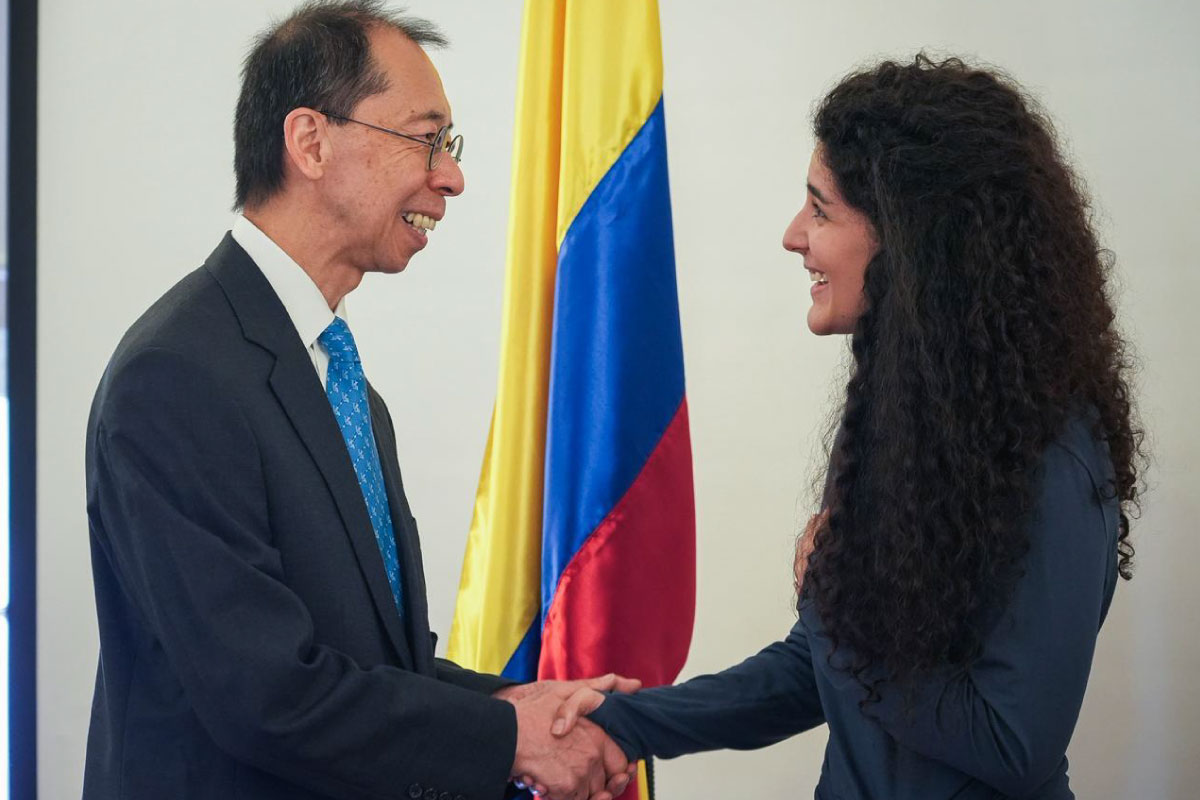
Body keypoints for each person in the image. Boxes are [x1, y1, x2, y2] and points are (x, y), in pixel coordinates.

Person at [545, 55, 1144, 800]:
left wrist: (829, 605)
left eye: (821, 210)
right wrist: (625, 723)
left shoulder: (1054, 457)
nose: (794, 236)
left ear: (909, 237)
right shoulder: (899, 422)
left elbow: (1010, 741)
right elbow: (820, 669)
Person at [83, 3, 635, 799]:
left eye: (449, 146)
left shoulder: (344, 386)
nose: (451, 177)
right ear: (310, 142)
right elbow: (266, 695)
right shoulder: (176, 376)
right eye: (426, 138)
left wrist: (517, 704)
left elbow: (374, 663)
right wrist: (507, 740)